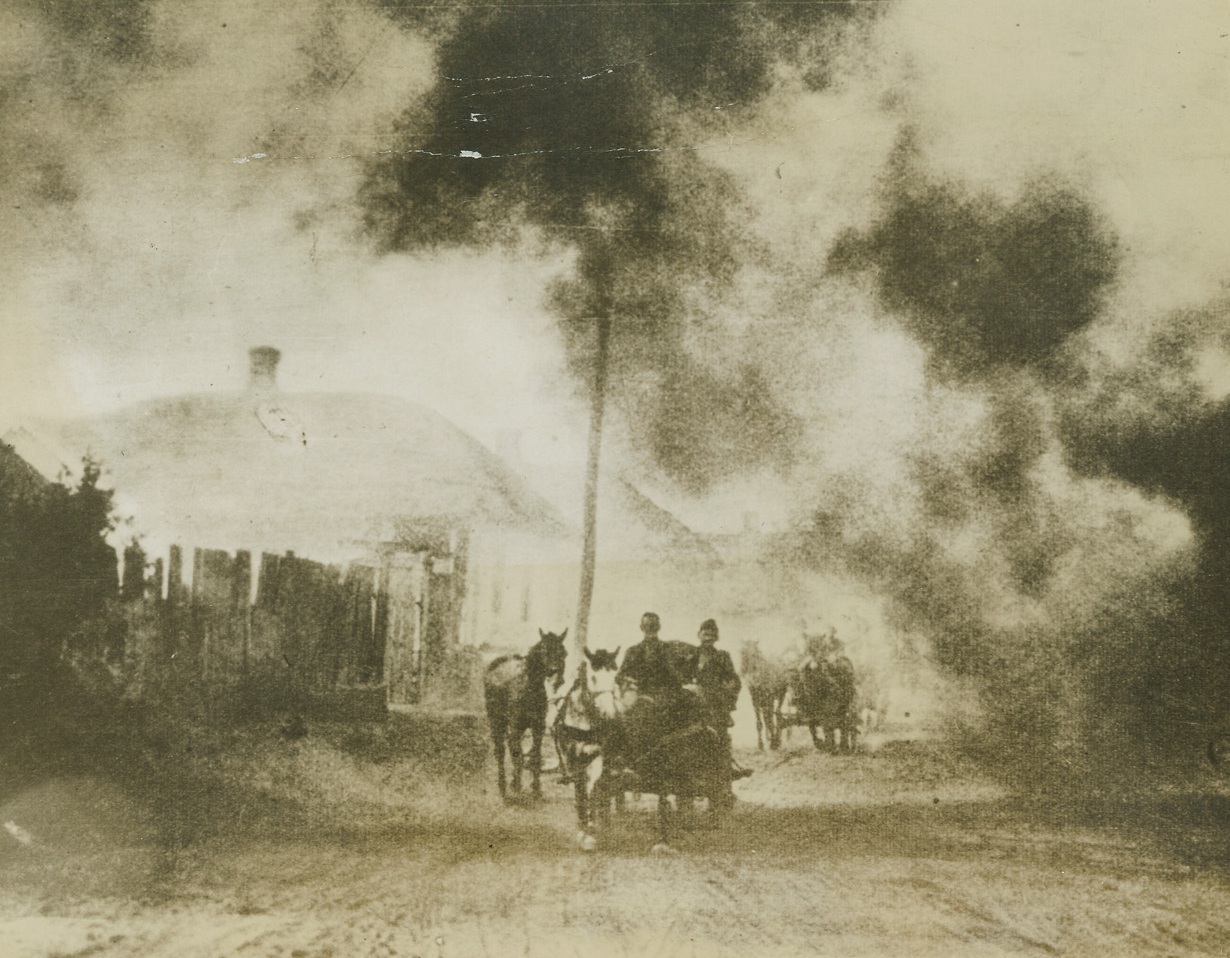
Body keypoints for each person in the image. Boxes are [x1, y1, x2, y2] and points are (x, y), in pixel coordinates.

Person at [686, 619, 752, 801]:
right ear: (699, 635)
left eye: (711, 634)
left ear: (716, 637)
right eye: (705, 634)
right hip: (691, 707)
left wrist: (724, 698)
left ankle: (725, 785)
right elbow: (680, 677)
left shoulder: (722, 656)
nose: (708, 637)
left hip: (715, 707)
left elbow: (734, 681)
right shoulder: (690, 655)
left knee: (720, 744)